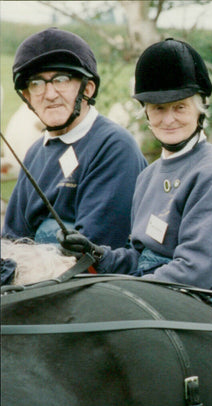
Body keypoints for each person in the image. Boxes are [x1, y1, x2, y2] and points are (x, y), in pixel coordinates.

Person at [58, 38, 212, 290]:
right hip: (153, 289)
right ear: (146, 112)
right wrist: (96, 254)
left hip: (193, 298)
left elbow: (197, 269)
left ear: (200, 109)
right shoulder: (148, 176)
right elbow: (138, 258)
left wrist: (131, 290)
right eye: (159, 108)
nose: (168, 120)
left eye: (180, 107)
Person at [3, 27, 146, 247]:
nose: (50, 94)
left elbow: (92, 253)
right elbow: (11, 240)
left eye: (61, 80)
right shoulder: (35, 153)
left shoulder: (114, 147)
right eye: (37, 83)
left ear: (87, 89)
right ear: (27, 97)